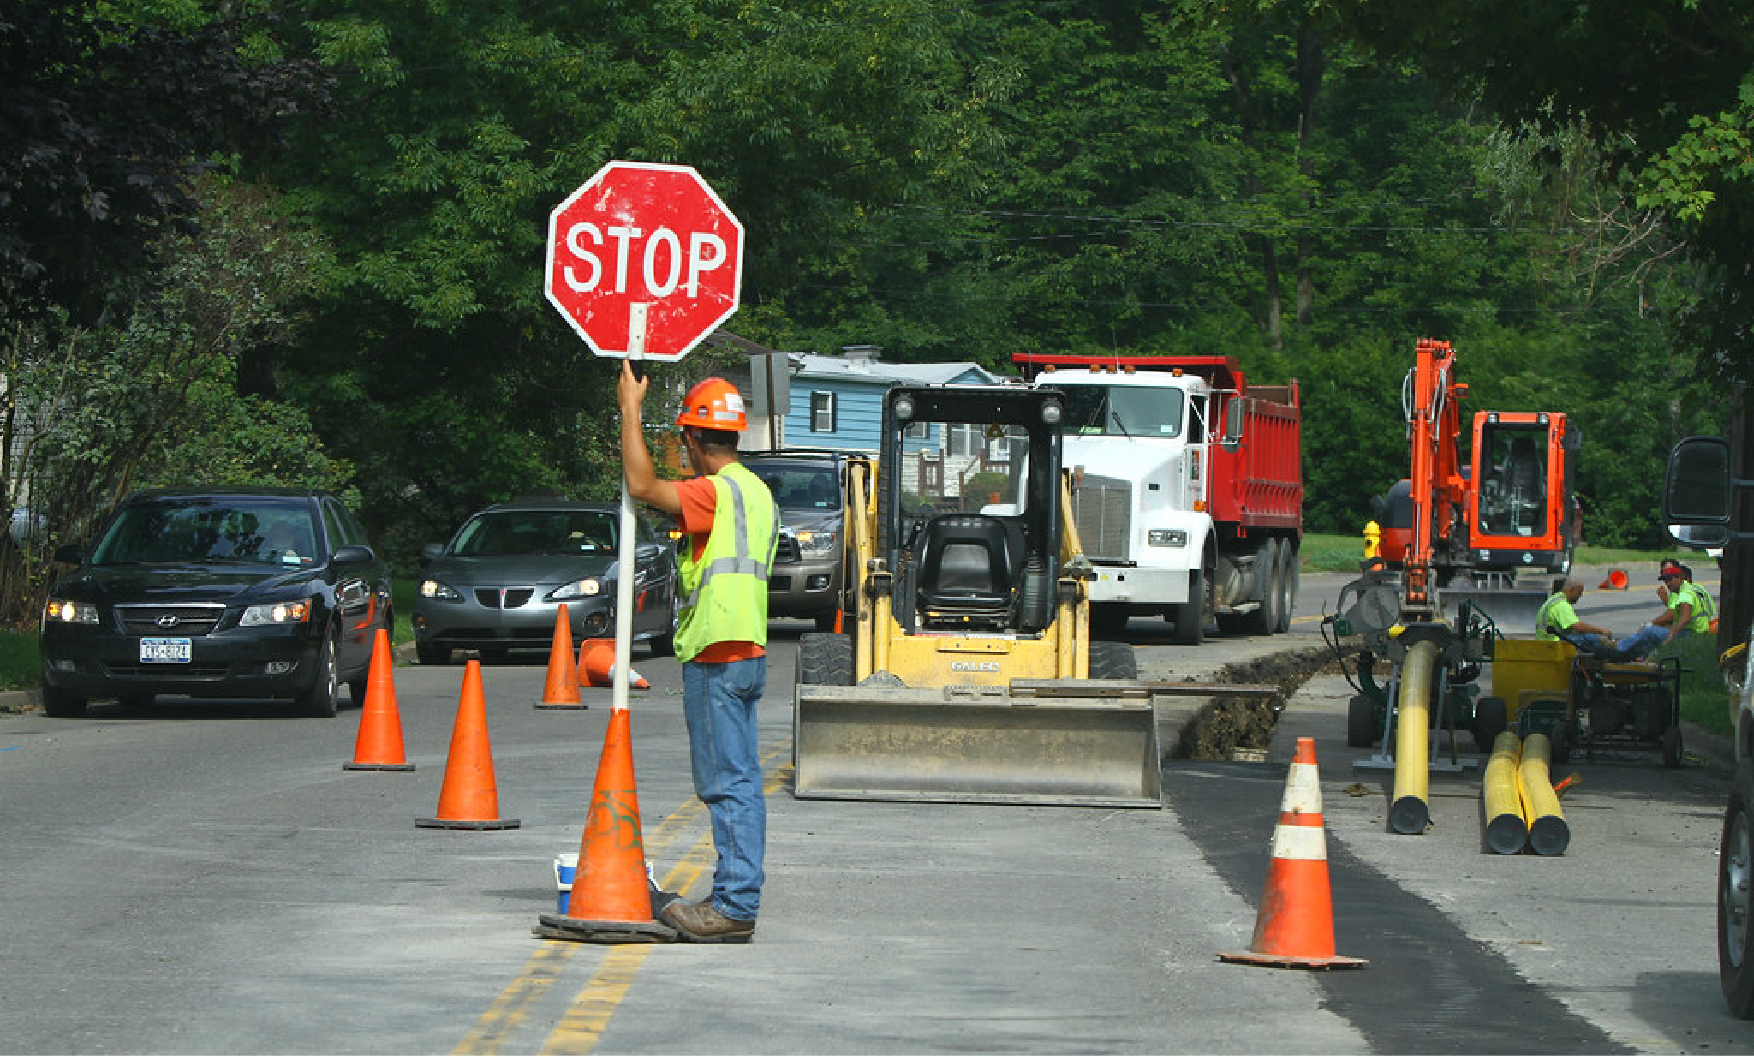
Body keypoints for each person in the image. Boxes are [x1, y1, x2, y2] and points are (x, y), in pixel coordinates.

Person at [617, 361, 778, 944]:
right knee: (740, 779)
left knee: (727, 783)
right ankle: (736, 898)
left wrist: (630, 408)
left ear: (691, 438)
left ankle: (734, 905)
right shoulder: (756, 492)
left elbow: (641, 487)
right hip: (747, 652)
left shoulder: (717, 493)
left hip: (719, 651)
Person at [1613, 561, 1709, 660]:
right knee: (1653, 635)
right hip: (1699, 634)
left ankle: (1617, 648)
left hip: (1690, 635)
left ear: (1679, 578)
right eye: (1665, 581)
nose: (1667, 584)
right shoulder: (1693, 589)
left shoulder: (1685, 593)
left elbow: (1685, 617)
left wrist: (1671, 634)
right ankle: (1632, 657)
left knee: (1649, 632)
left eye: (1670, 580)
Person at [1534, 577, 1622, 657]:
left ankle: (1611, 645)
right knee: (1588, 638)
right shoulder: (1561, 605)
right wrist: (1600, 631)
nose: (1580, 596)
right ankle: (1614, 649)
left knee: (1586, 635)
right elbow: (1578, 626)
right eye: (1579, 593)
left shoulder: (1554, 599)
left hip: (1546, 640)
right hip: (1552, 642)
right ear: (1571, 590)